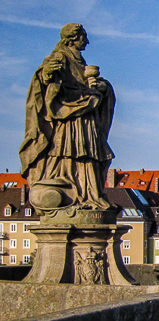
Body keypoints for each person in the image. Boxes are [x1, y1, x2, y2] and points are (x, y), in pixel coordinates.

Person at [19, 23, 115, 210]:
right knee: (69, 151)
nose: (87, 41)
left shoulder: (80, 60)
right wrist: (47, 73)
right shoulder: (59, 56)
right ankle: (72, 191)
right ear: (72, 39)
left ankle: (90, 194)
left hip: (85, 115)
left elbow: (88, 84)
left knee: (90, 153)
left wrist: (102, 86)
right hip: (69, 117)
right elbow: (43, 78)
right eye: (83, 37)